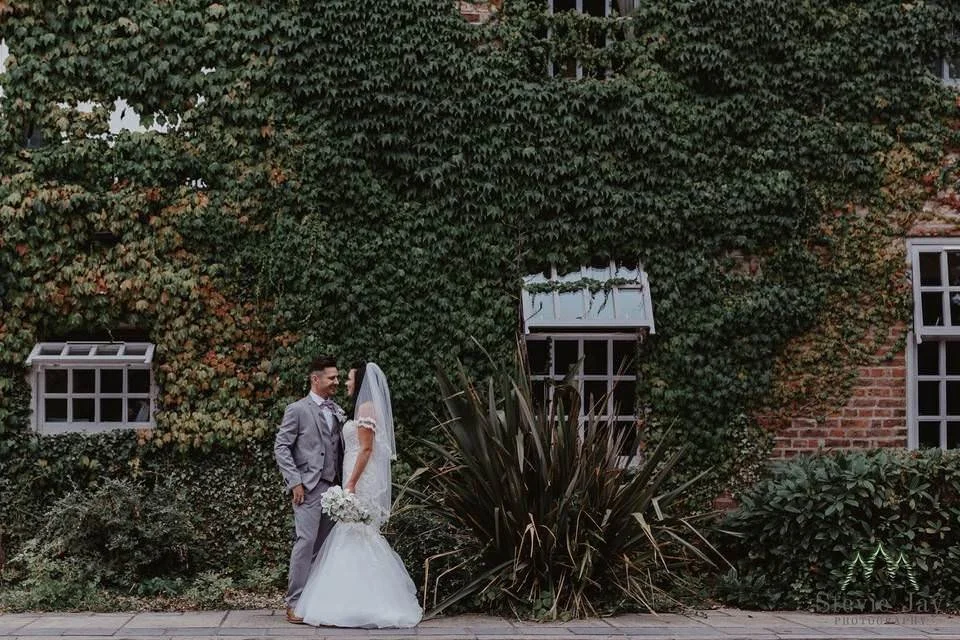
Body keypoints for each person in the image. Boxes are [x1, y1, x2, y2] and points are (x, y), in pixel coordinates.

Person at [294, 362, 423, 628]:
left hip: (360, 479)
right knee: (353, 533)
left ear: (362, 381)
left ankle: (359, 603)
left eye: (350, 379)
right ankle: (352, 599)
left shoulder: (366, 408)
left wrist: (351, 483)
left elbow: (365, 449)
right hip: (356, 476)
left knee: (358, 533)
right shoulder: (359, 409)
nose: (346, 383)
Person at [274, 355, 346, 625]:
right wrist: (295, 482)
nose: (336, 382)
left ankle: (316, 601)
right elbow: (281, 446)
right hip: (308, 488)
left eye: (338, 377)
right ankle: (294, 602)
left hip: (334, 489)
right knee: (305, 543)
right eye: (332, 378)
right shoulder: (297, 409)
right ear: (316, 379)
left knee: (325, 546)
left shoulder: (336, 409)